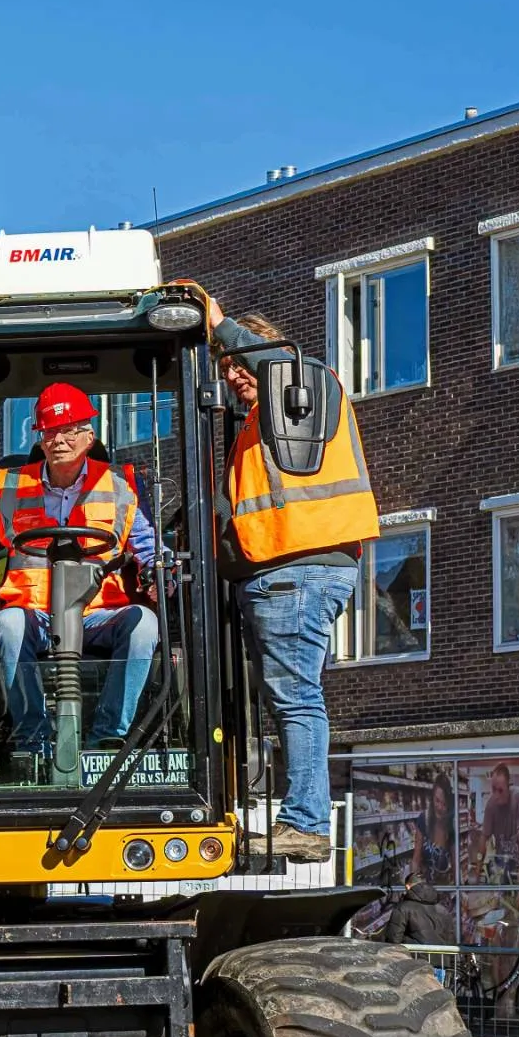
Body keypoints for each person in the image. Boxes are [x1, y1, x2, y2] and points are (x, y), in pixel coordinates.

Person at [216, 314, 379, 863]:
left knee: (296, 697)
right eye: (227, 367)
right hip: (283, 571)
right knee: (290, 697)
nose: (235, 374)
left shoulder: (306, 392)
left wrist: (220, 324)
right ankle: (302, 819)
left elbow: (281, 369)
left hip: (299, 568)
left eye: (241, 362)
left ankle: (306, 823)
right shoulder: (260, 423)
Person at [0, 381, 160, 768]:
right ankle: (34, 738)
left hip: (97, 613)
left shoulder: (120, 485)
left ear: (90, 436)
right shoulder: (7, 487)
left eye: (71, 429)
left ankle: (107, 735)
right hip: (33, 614)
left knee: (144, 625)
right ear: (39, 438)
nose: (60, 439)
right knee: (6, 625)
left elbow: (148, 545)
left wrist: (159, 572)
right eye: (51, 431)